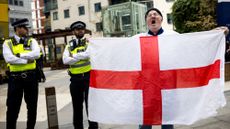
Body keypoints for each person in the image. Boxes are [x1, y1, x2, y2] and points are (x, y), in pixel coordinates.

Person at [136, 8, 229, 129]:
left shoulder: (173, 36)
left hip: (168, 85)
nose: (152, 16)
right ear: (146, 21)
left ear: (161, 19)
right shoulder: (137, 39)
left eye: (156, 14)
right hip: (146, 87)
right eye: (149, 15)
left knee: (168, 120)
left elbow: (192, 44)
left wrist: (214, 34)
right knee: (145, 120)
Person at [3, 18, 40, 129]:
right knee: (12, 108)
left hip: (31, 78)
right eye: (25, 27)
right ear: (18, 28)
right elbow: (9, 59)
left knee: (32, 107)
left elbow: (37, 54)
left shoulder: (32, 41)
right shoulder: (7, 43)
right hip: (15, 79)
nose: (27, 29)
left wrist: (19, 55)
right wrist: (27, 59)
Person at [62, 21, 98, 129]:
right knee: (77, 107)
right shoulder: (69, 45)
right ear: (74, 31)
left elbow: (89, 54)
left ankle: (93, 127)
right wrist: (81, 57)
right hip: (75, 80)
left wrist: (74, 56)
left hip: (88, 78)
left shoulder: (89, 42)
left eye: (82, 29)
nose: (80, 31)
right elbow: (65, 60)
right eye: (78, 29)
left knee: (90, 105)